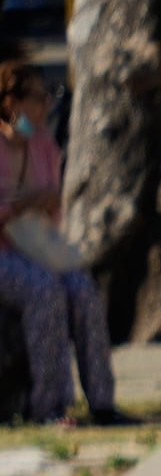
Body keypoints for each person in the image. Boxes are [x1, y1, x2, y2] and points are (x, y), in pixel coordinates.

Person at [0, 62, 115, 424]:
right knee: (43, 291)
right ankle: (48, 405)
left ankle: (101, 399)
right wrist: (18, 205)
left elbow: (53, 208)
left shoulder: (43, 145)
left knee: (82, 290)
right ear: (12, 103)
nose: (46, 106)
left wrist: (45, 202)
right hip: (5, 252)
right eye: (38, 98)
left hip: (35, 247)